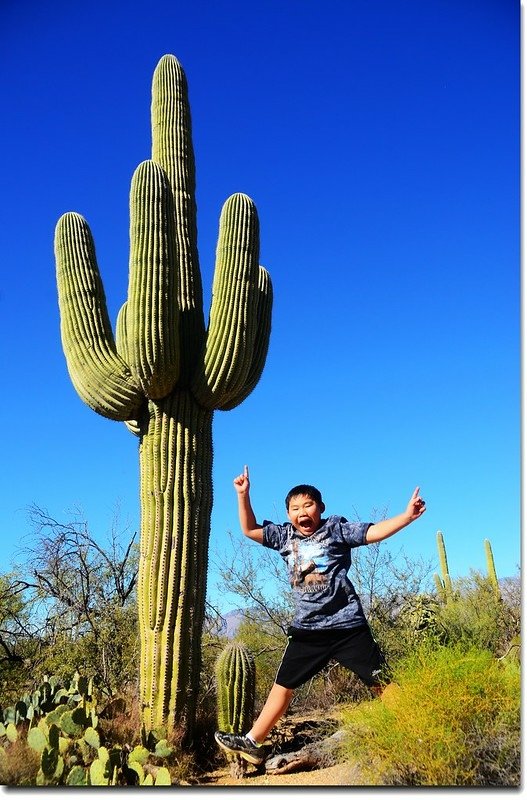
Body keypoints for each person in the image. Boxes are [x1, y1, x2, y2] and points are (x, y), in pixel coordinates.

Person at [214, 465, 426, 766]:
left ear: (320, 508)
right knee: (284, 686)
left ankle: (420, 729)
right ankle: (253, 742)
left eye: (308, 505)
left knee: (382, 682)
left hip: (347, 627)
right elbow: (249, 529)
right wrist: (243, 495)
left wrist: (406, 517)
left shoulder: (337, 529)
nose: (302, 512)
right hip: (308, 631)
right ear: (289, 514)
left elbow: (372, 532)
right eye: (295, 507)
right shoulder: (284, 536)